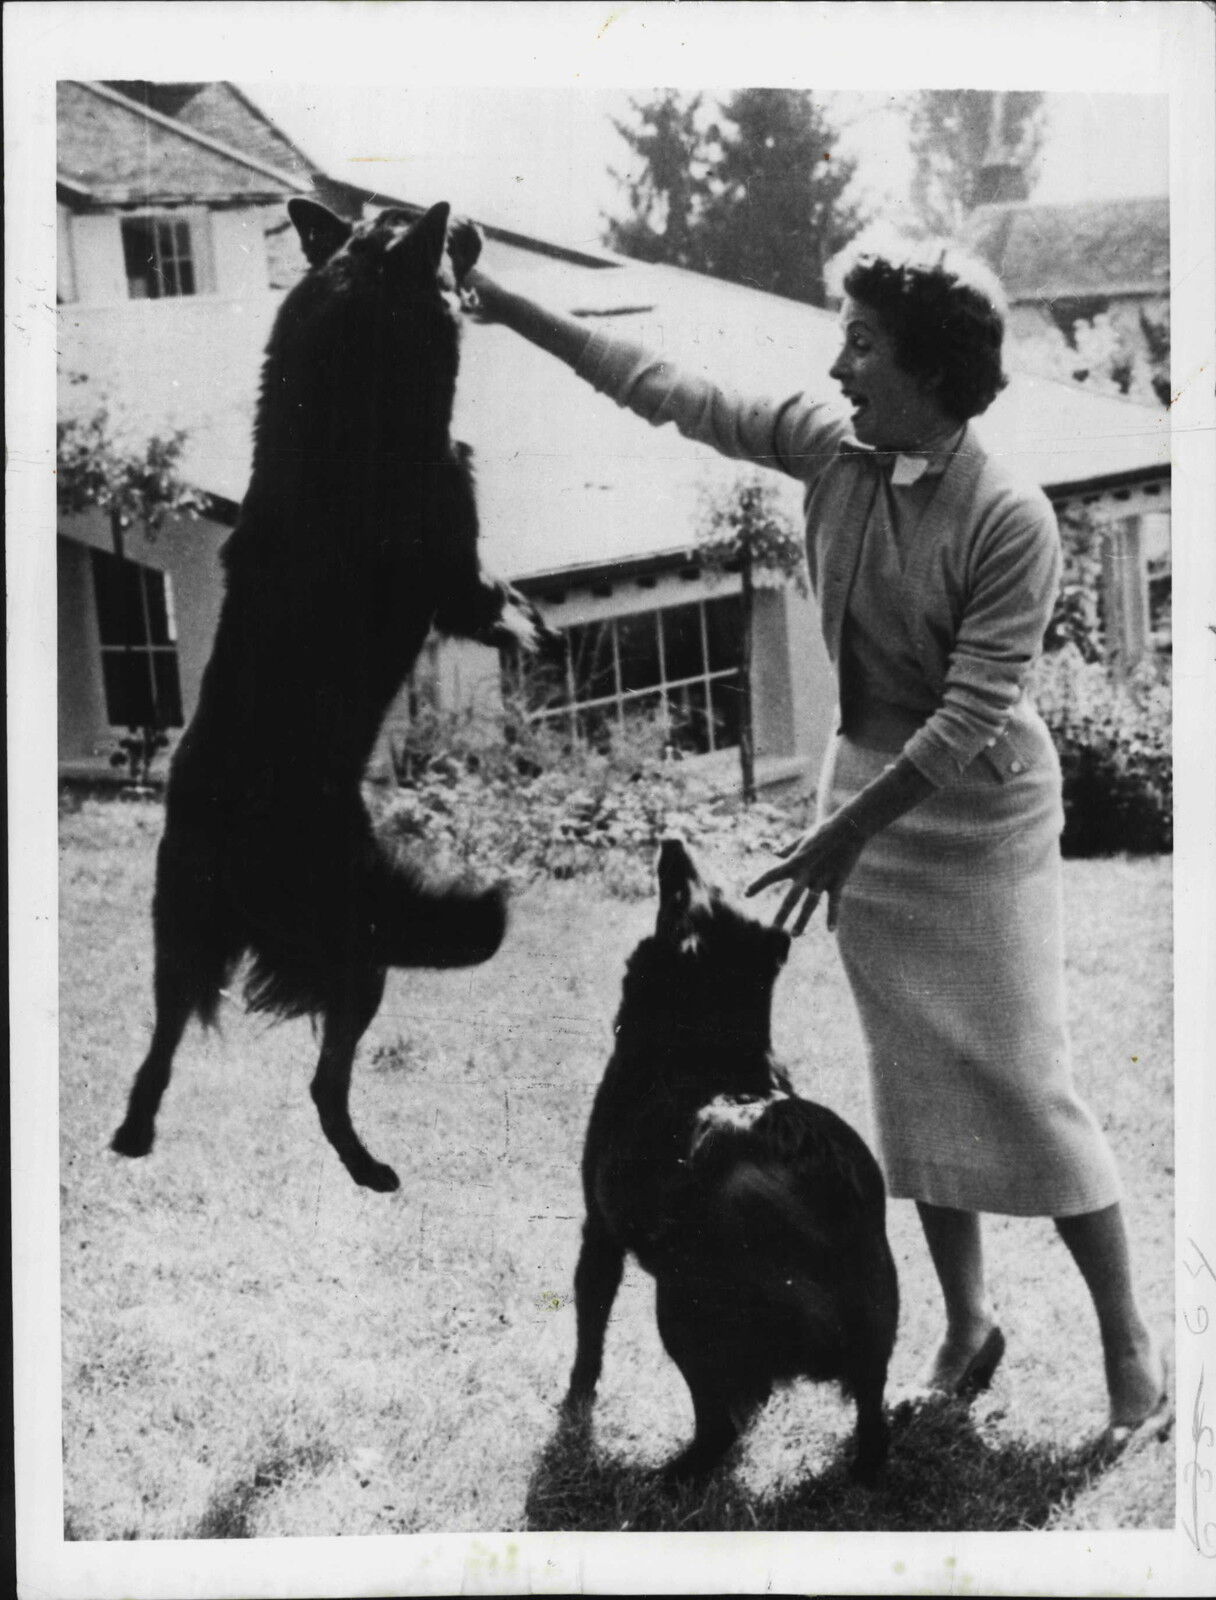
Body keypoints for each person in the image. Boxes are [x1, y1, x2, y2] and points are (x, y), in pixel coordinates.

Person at [463, 237, 1169, 1451]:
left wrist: (840, 833)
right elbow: (665, 384)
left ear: (929, 366)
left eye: (860, 341)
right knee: (914, 1087)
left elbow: (970, 711)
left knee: (1018, 1081)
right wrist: (509, 305)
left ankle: (1131, 1351)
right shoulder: (829, 447)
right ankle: (965, 1326)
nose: (835, 361)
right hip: (865, 812)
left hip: (975, 818)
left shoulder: (1008, 517)